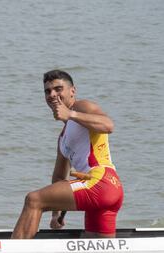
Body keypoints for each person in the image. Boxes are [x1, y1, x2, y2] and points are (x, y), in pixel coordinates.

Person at [11, 70, 124, 239]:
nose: (52, 94)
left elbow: (108, 125)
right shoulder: (62, 138)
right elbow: (58, 178)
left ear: (72, 91)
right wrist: (56, 215)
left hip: (100, 182)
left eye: (58, 89)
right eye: (47, 91)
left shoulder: (81, 107)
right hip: (109, 191)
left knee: (34, 200)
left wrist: (70, 114)